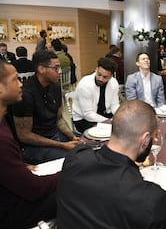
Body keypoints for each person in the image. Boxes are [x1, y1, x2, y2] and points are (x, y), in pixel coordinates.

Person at [57, 100, 166, 228]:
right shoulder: (150, 198)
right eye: (155, 135)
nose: (155, 139)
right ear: (145, 140)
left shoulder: (74, 158)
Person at [0, 60, 58, 228]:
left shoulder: (4, 122)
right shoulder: (2, 139)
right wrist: (69, 171)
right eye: (15, 80)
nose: (20, 85)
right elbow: (34, 189)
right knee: (75, 188)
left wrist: (18, 166)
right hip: (9, 213)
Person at [12, 50, 79, 164]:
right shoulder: (26, 94)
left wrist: (72, 137)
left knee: (86, 147)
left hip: (55, 136)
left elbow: (59, 119)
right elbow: (24, 136)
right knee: (73, 160)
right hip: (33, 146)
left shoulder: (56, 87)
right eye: (56, 68)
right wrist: (62, 145)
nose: (60, 72)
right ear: (41, 69)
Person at [72, 57, 120, 133]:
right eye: (99, 74)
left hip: (104, 115)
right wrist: (108, 122)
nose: (100, 79)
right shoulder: (85, 85)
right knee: (110, 131)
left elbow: (114, 105)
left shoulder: (114, 83)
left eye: (105, 77)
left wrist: (120, 116)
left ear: (111, 76)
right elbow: (88, 114)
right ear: (96, 69)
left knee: (121, 127)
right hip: (83, 120)